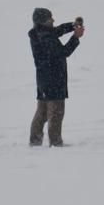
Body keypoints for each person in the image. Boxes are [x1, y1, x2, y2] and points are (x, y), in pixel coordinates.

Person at [28, 8, 84, 147]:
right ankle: (56, 143)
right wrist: (76, 37)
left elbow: (57, 30)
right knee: (56, 114)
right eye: (50, 18)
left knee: (42, 113)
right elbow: (63, 52)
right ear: (43, 22)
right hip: (54, 80)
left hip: (44, 81)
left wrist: (72, 25)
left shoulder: (40, 33)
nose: (53, 20)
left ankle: (35, 141)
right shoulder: (46, 37)